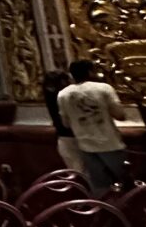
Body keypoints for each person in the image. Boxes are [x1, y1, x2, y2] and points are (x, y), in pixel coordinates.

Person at [56, 58, 134, 192]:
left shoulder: (63, 94)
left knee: (100, 186)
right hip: (110, 143)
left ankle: (105, 204)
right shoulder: (103, 88)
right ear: (90, 72)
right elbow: (120, 115)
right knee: (126, 183)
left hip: (85, 145)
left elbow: (66, 124)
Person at [42, 69, 85, 177]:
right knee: (83, 173)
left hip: (63, 137)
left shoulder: (50, 95)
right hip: (76, 136)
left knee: (76, 172)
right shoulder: (65, 96)